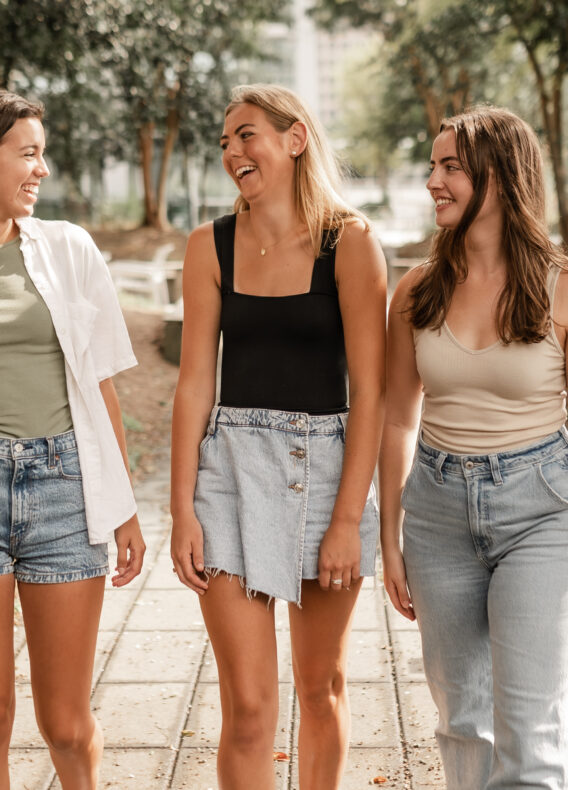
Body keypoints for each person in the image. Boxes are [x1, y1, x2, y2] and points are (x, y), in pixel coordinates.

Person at [170, 83, 386, 790]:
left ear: (295, 140)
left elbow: (372, 393)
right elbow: (195, 385)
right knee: (250, 708)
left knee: (319, 689)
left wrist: (349, 521)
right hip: (230, 473)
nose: (233, 150)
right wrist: (181, 511)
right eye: (225, 140)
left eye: (247, 134)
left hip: (326, 475)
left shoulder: (349, 242)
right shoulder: (210, 246)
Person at [379, 105, 568, 790]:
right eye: (433, 166)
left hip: (542, 512)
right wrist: (390, 535)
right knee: (463, 718)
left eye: (451, 166)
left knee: (528, 725)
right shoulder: (417, 292)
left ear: (501, 174)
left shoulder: (559, 287)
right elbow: (397, 418)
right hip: (435, 514)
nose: (434, 180)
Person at [0, 90, 145, 789]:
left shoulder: (67, 247)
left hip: (62, 486)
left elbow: (101, 382)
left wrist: (123, 506)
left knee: (64, 720)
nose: (42, 170)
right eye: (28, 153)